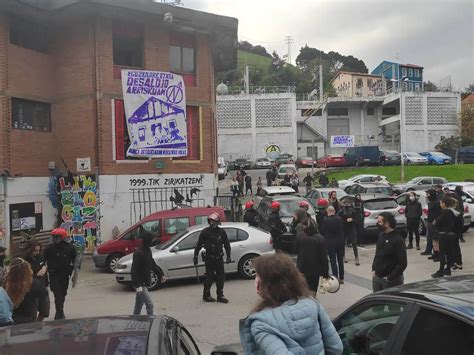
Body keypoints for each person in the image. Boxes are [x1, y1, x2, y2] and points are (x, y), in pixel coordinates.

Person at [239, 253, 343, 355]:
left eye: (258, 277)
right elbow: (336, 348)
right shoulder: (313, 304)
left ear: (267, 285)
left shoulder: (261, 323)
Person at [193, 213, 231, 303]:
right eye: (210, 221)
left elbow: (226, 244)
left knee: (221, 277)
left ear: (217, 222)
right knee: (209, 277)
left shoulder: (221, 232)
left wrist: (228, 255)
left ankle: (220, 295)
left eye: (213, 221)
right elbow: (198, 245)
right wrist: (195, 256)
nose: (212, 223)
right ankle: (206, 295)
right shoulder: (205, 232)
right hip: (209, 258)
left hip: (219, 258)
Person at [43, 228, 76, 320]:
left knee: (63, 294)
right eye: (53, 237)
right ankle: (60, 315)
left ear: (62, 237)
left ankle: (59, 311)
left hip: (65, 275)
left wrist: (74, 274)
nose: (54, 239)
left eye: (56, 237)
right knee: (57, 295)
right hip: (54, 275)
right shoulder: (49, 248)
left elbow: (76, 262)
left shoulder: (70, 248)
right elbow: (42, 261)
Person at [4, 258, 49, 324]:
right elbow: (45, 305)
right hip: (29, 322)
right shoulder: (34, 284)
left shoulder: (5, 284)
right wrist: (38, 321)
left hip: (9, 322)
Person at [131, 231, 166, 315]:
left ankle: (135, 320)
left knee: (139, 304)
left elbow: (152, 264)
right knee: (150, 305)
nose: (154, 241)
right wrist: (137, 285)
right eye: (152, 239)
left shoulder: (148, 251)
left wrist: (160, 275)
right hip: (140, 283)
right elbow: (134, 270)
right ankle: (150, 322)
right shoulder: (138, 253)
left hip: (145, 282)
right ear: (148, 240)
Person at [372, 212, 407, 291]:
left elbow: (402, 263)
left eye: (379, 222)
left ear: (387, 224)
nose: (377, 224)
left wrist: (390, 277)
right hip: (377, 278)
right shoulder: (381, 235)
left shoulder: (398, 240)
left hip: (391, 281)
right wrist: (373, 269)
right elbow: (377, 254)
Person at [296, 220, 330, 292]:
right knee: (313, 289)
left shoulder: (300, 237)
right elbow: (324, 258)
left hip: (302, 268)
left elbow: (295, 250)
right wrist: (325, 274)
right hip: (315, 270)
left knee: (303, 289)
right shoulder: (320, 239)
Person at [431, 197, 458, 278]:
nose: (440, 204)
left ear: (444, 204)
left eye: (441, 203)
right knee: (449, 253)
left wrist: (435, 222)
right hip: (451, 235)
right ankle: (448, 269)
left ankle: (441, 270)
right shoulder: (454, 212)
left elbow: (437, 223)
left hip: (444, 235)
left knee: (442, 253)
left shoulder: (445, 212)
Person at [321, 206, 345, 284]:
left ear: (327, 212)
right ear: (334, 211)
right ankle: (342, 277)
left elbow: (323, 230)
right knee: (340, 260)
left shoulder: (325, 220)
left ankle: (335, 277)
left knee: (333, 260)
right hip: (340, 241)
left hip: (330, 242)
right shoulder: (339, 219)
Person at [338, 200, 359, 266]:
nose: (347, 205)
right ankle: (343, 256)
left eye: (348, 203)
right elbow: (338, 220)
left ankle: (356, 257)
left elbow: (357, 219)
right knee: (343, 242)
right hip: (344, 228)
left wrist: (352, 220)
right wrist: (345, 220)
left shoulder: (353, 211)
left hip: (351, 227)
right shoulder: (341, 211)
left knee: (354, 243)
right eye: (345, 203)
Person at [422, 189, 441, 259]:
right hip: (429, 221)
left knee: (436, 239)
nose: (427, 196)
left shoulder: (437, 203)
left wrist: (435, 220)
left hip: (434, 223)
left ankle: (438, 254)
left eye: (428, 194)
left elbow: (439, 213)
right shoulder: (430, 203)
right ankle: (433, 252)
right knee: (430, 238)